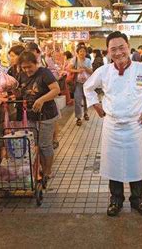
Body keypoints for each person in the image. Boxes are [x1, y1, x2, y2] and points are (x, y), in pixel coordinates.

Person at [84, 31, 142, 217]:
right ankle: (116, 200)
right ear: (108, 51)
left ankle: (138, 200)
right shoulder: (103, 71)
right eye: (113, 49)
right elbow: (87, 87)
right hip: (112, 126)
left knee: (136, 164)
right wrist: (95, 104)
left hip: (135, 126)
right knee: (113, 166)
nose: (118, 52)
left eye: (122, 47)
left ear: (128, 47)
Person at [17, 51, 61, 183]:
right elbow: (20, 92)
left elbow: (56, 89)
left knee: (45, 145)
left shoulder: (44, 73)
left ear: (36, 63)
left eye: (29, 66)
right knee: (34, 145)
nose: (27, 70)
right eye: (24, 67)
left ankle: (48, 172)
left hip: (46, 115)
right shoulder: (21, 75)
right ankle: (39, 169)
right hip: (30, 115)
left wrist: (42, 100)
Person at [68, 46, 93, 126]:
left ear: (86, 53)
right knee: (77, 100)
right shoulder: (74, 60)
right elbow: (69, 69)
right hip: (77, 83)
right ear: (77, 52)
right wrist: (77, 70)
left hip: (87, 83)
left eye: (84, 51)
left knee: (86, 100)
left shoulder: (88, 60)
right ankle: (78, 117)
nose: (82, 53)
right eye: (80, 51)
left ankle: (85, 113)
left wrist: (85, 67)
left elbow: (91, 72)